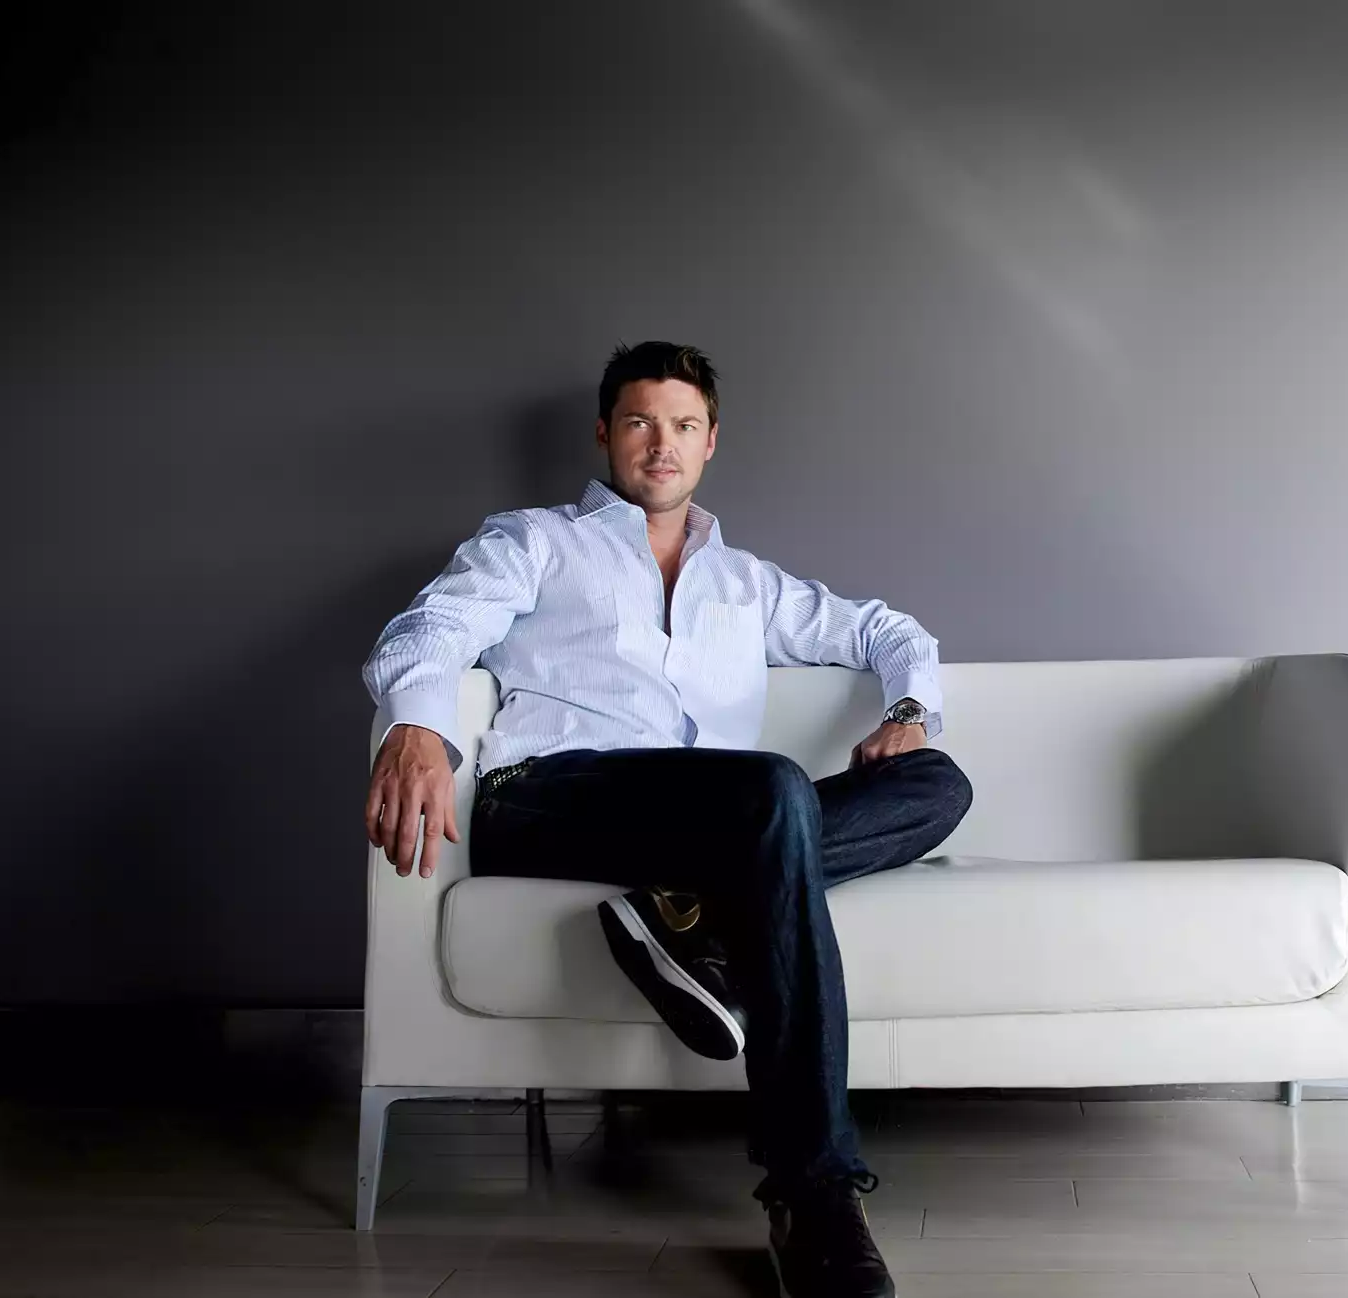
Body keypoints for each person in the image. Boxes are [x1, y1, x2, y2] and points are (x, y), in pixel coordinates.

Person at [361, 341, 972, 1298]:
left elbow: (887, 631)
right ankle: (812, 1192)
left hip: (713, 819)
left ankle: (683, 909)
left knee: (937, 783)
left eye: (683, 425)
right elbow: (433, 626)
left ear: (710, 441)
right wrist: (415, 725)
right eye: (641, 422)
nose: (662, 444)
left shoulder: (746, 583)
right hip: (546, 794)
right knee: (772, 792)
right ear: (606, 433)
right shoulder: (535, 542)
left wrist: (907, 711)